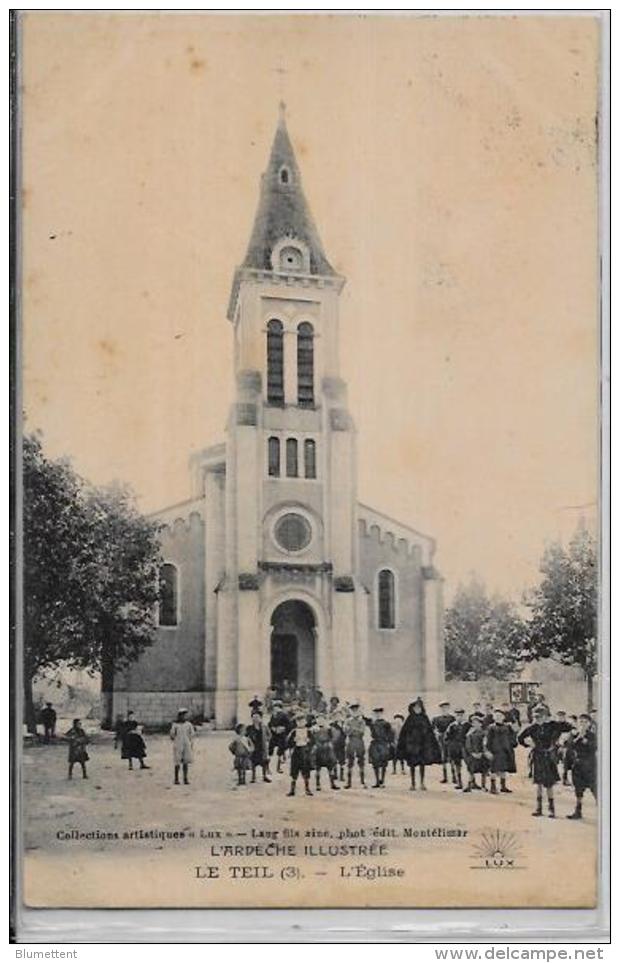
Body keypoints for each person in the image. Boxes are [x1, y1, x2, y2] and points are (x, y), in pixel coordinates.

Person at [518, 705, 572, 817]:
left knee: (549, 784)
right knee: (538, 783)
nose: (538, 719)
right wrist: (528, 744)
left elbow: (568, 727)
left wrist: (562, 738)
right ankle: (539, 808)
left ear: (545, 716)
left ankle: (551, 809)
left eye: (541, 716)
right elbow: (520, 738)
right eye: (536, 717)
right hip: (537, 756)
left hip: (549, 756)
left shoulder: (552, 725)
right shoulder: (532, 727)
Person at [397, 698, 441, 791]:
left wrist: (429, 742)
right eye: (415, 708)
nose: (417, 709)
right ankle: (412, 783)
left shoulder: (425, 718)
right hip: (412, 746)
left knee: (422, 765)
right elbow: (403, 733)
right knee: (412, 765)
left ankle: (422, 783)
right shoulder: (409, 719)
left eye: (419, 708)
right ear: (412, 709)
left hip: (422, 746)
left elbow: (429, 732)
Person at [566, 714, 597, 820]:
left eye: (585, 722)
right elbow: (569, 746)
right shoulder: (574, 734)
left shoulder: (592, 735)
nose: (582, 724)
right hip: (578, 765)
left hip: (590, 765)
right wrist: (578, 737)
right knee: (578, 790)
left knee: (595, 789)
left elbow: (594, 747)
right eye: (580, 722)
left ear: (589, 724)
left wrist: (584, 739)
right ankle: (578, 812)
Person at [484, 708, 517, 795]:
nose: (498, 718)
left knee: (503, 769)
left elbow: (512, 737)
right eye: (496, 716)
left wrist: (512, 744)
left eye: (500, 716)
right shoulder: (491, 728)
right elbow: (487, 740)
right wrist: (487, 751)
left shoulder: (507, 727)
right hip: (494, 751)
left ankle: (503, 786)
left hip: (505, 751)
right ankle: (493, 787)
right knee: (493, 770)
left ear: (503, 717)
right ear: (494, 718)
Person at [286, 713, 314, 796]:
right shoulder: (294, 731)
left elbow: (313, 741)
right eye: (298, 721)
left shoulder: (308, 731)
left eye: (302, 721)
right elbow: (288, 743)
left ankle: (307, 789)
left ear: (305, 722)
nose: (300, 723)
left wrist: (309, 741)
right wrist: (293, 740)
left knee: (305, 770)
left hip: (305, 752)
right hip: (296, 752)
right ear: (296, 722)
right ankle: (292, 790)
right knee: (294, 771)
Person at [366, 707, 394, 788]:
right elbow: (368, 726)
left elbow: (390, 734)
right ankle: (377, 781)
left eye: (379, 713)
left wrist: (389, 742)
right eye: (376, 713)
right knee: (375, 763)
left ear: (382, 714)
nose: (378, 715)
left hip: (383, 743)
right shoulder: (372, 723)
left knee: (384, 763)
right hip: (375, 743)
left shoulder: (386, 724)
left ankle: (382, 780)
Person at [311, 716, 340, 791]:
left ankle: (332, 784)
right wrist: (314, 744)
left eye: (322, 719)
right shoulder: (313, 729)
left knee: (331, 766)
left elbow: (335, 736)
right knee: (317, 767)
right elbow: (310, 738)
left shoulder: (329, 728)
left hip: (327, 748)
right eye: (318, 719)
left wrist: (330, 742)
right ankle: (317, 785)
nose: (320, 721)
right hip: (318, 748)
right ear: (316, 720)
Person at [444, 709, 470, 789]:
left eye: (461, 715)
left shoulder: (467, 725)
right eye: (457, 715)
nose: (459, 717)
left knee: (468, 765)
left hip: (465, 747)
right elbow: (446, 737)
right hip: (455, 748)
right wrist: (451, 745)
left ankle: (471, 783)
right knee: (457, 765)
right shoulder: (452, 725)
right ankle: (459, 782)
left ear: (464, 716)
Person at [344, 703, 367, 789]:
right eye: (353, 710)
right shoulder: (348, 721)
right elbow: (346, 731)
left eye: (356, 710)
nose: (355, 712)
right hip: (351, 742)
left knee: (361, 761)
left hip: (359, 741)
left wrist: (352, 729)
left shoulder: (362, 721)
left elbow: (362, 731)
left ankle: (362, 781)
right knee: (350, 762)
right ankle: (349, 782)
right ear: (350, 711)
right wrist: (353, 729)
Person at [463, 715, 489, 791]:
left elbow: (485, 743)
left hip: (482, 755)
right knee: (471, 771)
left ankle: (483, 786)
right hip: (473, 755)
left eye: (477, 723)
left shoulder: (484, 733)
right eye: (473, 723)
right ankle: (469, 785)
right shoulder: (469, 734)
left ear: (481, 724)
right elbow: (468, 744)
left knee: (484, 771)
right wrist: (472, 753)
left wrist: (482, 752)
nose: (475, 724)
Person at [432, 701, 456, 783]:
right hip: (441, 739)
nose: (444, 709)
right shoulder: (436, 719)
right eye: (443, 708)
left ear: (448, 708)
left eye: (446, 708)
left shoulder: (452, 718)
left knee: (452, 757)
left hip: (450, 739)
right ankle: (445, 777)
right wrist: (437, 733)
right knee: (443, 758)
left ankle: (454, 777)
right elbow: (433, 729)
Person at [170, 708, 195, 785]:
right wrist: (176, 740)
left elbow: (191, 734)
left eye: (185, 715)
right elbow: (172, 735)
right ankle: (176, 779)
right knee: (177, 762)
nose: (184, 717)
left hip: (186, 744)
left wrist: (190, 743)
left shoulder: (188, 725)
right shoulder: (175, 725)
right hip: (178, 744)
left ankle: (185, 778)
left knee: (186, 762)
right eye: (182, 715)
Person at [246, 711, 272, 783]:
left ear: (261, 718)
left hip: (262, 747)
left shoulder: (264, 727)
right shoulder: (249, 728)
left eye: (257, 717)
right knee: (253, 763)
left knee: (264, 763)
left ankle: (264, 776)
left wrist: (266, 740)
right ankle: (253, 777)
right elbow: (246, 736)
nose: (256, 719)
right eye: (254, 717)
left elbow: (269, 735)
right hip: (254, 747)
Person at [268, 700, 292, 774]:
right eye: (274, 707)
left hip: (281, 735)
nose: (275, 709)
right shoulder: (273, 715)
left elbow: (289, 725)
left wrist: (283, 729)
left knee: (280, 752)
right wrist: (272, 728)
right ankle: (268, 768)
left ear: (280, 707)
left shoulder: (284, 715)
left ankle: (278, 767)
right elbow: (270, 724)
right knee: (270, 750)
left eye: (277, 707)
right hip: (274, 735)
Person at [329, 710, 347, 782]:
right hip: (334, 745)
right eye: (336, 716)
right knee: (334, 760)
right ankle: (335, 774)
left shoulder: (343, 724)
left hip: (341, 744)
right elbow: (329, 735)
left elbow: (346, 734)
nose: (337, 717)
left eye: (339, 715)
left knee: (342, 760)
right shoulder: (331, 726)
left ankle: (342, 776)